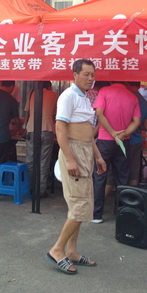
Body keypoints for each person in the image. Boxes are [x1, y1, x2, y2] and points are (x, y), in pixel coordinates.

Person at [47, 59, 106, 274]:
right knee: (79, 205)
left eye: (93, 75)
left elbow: (88, 134)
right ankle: (57, 249)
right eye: (86, 74)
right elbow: (60, 129)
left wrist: (98, 156)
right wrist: (70, 158)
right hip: (73, 151)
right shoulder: (68, 96)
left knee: (83, 203)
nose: (90, 78)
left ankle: (71, 251)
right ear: (75, 74)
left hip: (85, 151)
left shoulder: (84, 97)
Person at [92, 81, 141, 223]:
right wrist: (123, 134)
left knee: (100, 176)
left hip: (104, 141)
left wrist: (113, 133)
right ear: (126, 82)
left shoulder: (104, 91)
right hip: (123, 142)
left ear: (111, 81)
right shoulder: (132, 96)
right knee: (122, 177)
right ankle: (121, 212)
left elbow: (99, 113)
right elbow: (136, 122)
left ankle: (97, 215)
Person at [24, 81, 58, 198]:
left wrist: (26, 127)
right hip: (47, 130)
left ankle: (29, 188)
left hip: (31, 129)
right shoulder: (54, 94)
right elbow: (55, 115)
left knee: (30, 160)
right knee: (44, 161)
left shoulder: (32, 93)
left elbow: (27, 113)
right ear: (49, 86)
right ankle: (40, 190)